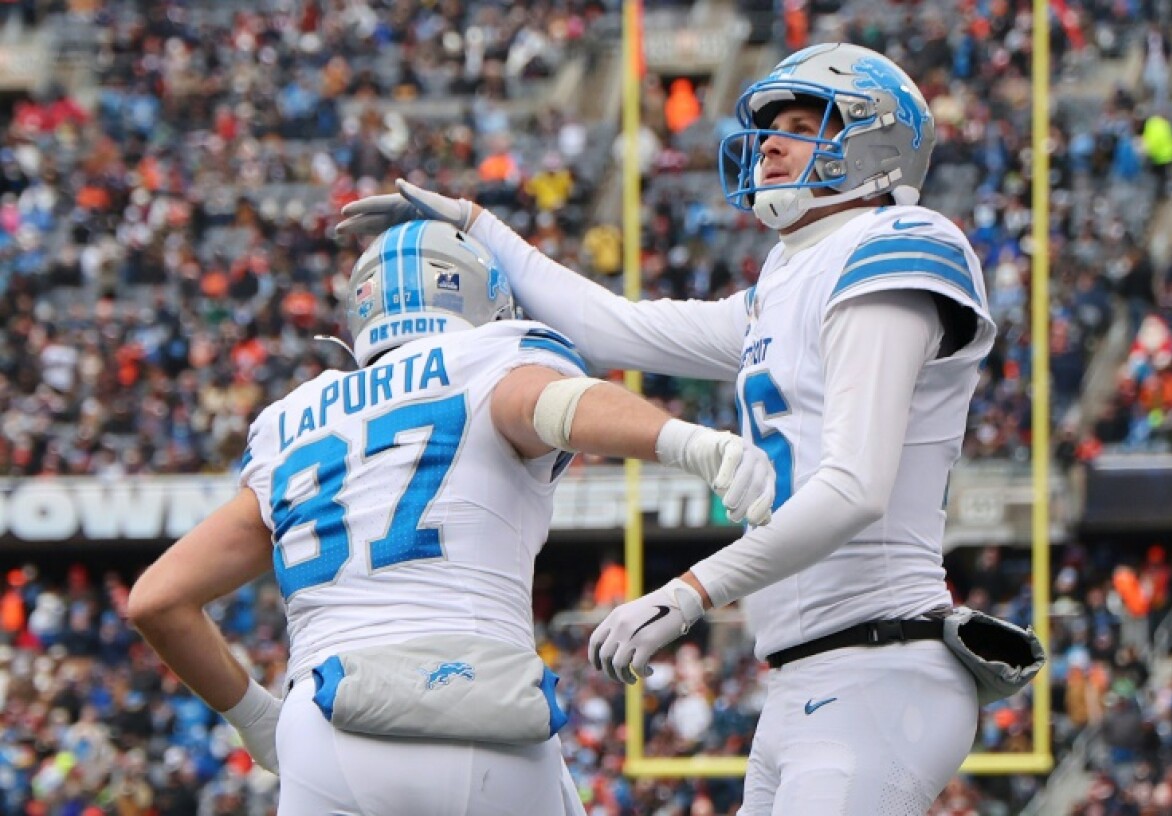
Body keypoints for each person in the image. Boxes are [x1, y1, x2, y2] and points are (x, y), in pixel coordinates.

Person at [338, 42, 1003, 814]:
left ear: (876, 141)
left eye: (801, 121)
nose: (774, 143)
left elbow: (854, 486)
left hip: (879, 660)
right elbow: (615, 328)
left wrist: (688, 592)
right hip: (804, 677)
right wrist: (478, 225)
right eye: (771, 126)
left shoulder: (896, 243)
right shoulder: (781, 284)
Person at [127, 221, 776, 816]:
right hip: (479, 707)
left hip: (327, 720)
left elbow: (158, 600)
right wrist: (688, 441)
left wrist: (260, 720)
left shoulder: (294, 419)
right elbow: (551, 403)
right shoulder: (488, 357)